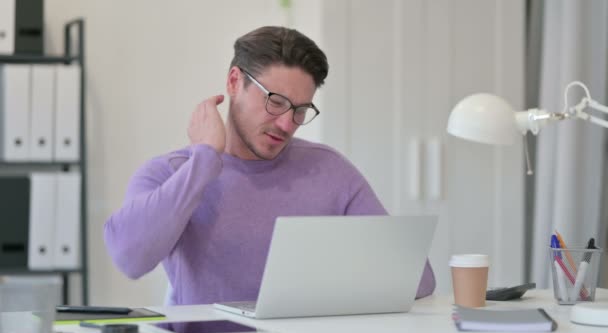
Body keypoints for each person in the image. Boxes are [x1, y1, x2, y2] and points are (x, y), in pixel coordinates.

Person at [104, 26, 436, 305]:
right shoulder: (172, 173)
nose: (286, 124)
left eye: (300, 111)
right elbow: (129, 259)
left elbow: (417, 279)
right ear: (234, 82)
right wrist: (204, 158)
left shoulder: (330, 171)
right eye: (275, 102)